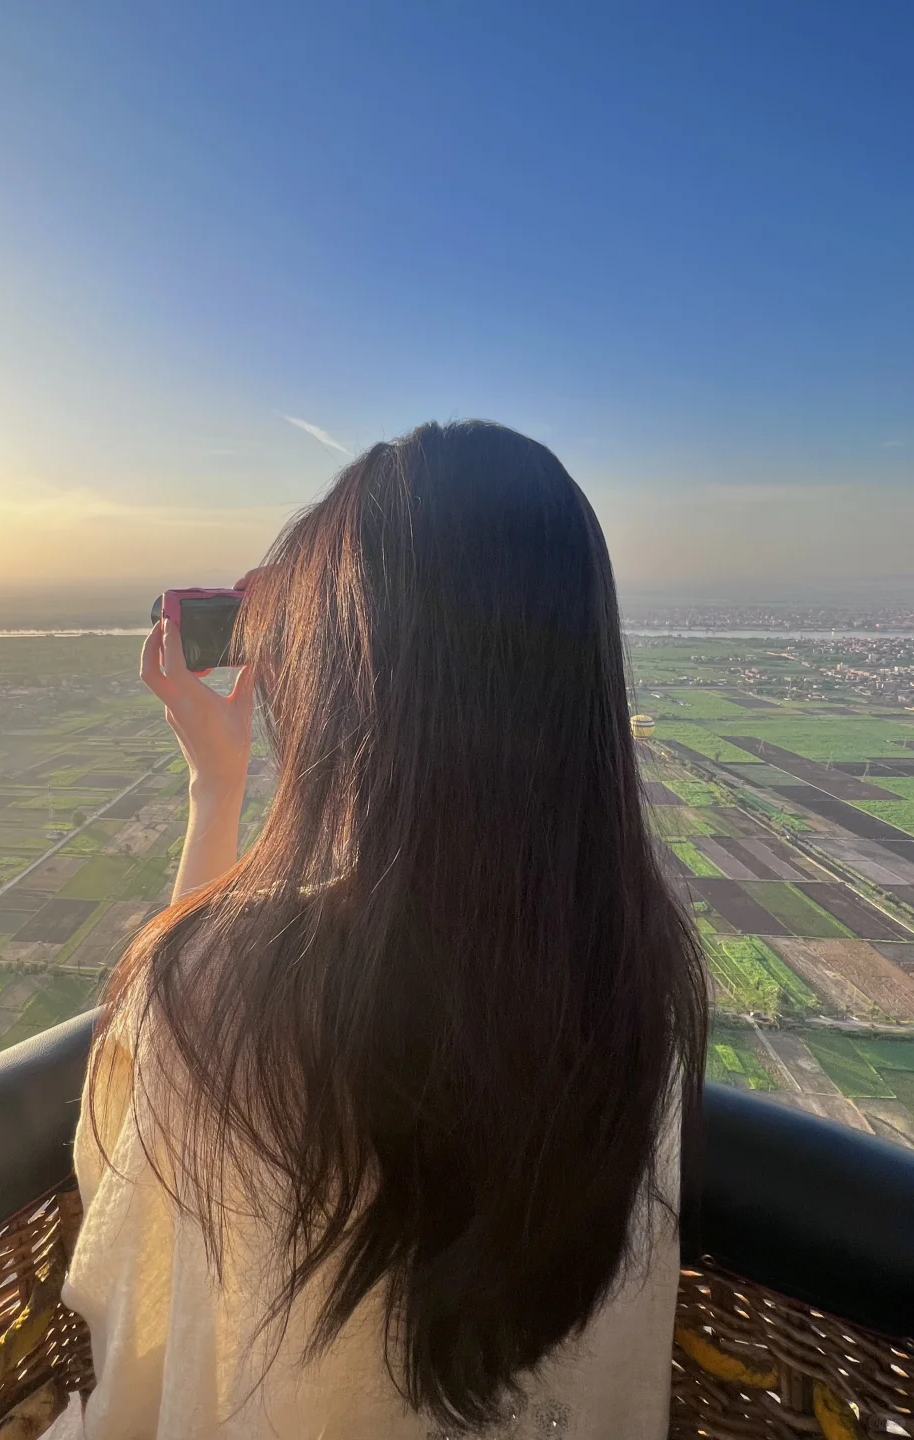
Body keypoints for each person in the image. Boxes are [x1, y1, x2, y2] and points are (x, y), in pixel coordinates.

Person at [47, 421, 707, 1440]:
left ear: (351, 687)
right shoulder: (636, 975)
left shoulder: (238, 989)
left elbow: (135, 1215)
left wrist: (215, 792)